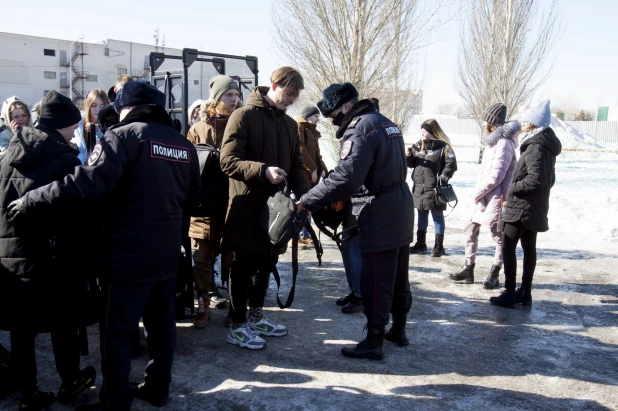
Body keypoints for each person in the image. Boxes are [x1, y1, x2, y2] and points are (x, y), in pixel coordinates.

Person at [7, 80, 202, 410]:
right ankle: (158, 388)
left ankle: (114, 399)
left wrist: (32, 199)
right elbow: (195, 200)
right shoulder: (182, 144)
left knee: (118, 333)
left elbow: (86, 184)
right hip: (167, 256)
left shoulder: (122, 137)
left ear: (127, 107)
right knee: (161, 328)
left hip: (126, 258)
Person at [297, 82, 414, 360]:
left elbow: (347, 178)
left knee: (375, 279)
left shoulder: (359, 128)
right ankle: (398, 329)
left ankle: (374, 341)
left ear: (345, 106)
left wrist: (308, 201)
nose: (332, 120)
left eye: (333, 114)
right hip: (399, 207)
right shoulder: (386, 123)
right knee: (398, 277)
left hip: (379, 211)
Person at [0, 90, 98, 410]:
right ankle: (70, 381)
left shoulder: (7, 156)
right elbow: (74, 216)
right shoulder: (64, 161)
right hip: (53, 260)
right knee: (64, 323)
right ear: (61, 126)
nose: (75, 131)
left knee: (21, 330)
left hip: (11, 258)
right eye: (72, 126)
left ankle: (28, 392)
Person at [220, 67, 309, 350]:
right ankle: (237, 325)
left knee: (266, 263)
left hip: (276, 211)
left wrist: (306, 197)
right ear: (273, 85)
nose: (290, 100)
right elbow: (228, 161)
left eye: (294, 97)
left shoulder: (288, 124)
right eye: (287, 94)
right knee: (244, 266)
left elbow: (296, 165)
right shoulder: (243, 115)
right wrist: (262, 171)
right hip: (246, 207)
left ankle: (257, 318)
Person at [490, 100, 561, 308]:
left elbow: (536, 179)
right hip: (535, 206)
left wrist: (513, 188)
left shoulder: (536, 146)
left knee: (508, 246)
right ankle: (525, 292)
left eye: (526, 119)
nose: (522, 122)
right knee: (529, 248)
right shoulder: (546, 144)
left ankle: (510, 292)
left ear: (533, 123)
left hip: (522, 206)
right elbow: (550, 178)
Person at [186, 76, 241, 328]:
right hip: (203, 206)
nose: (234, 99)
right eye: (229, 94)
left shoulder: (241, 125)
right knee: (201, 261)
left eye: (236, 94)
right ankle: (202, 305)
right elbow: (187, 166)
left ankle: (235, 307)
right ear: (217, 98)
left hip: (233, 204)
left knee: (232, 260)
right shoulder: (197, 129)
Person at [449, 104, 520, 287]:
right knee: (470, 228)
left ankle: (495, 272)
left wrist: (479, 191)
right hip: (485, 196)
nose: (482, 123)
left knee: (498, 236)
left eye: (485, 119)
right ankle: (468, 267)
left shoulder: (504, 142)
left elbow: (497, 175)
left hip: (496, 197)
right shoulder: (493, 141)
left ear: (492, 122)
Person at [406, 119, 458, 257]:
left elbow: (451, 164)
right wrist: (409, 157)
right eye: (422, 131)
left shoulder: (444, 147)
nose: (422, 133)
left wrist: (443, 177)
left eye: (425, 131)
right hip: (419, 187)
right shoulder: (418, 146)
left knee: (437, 216)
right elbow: (411, 165)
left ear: (432, 132)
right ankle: (421, 243)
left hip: (435, 188)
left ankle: (439, 246)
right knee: (422, 213)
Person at [296, 105, 328, 244]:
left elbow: (317, 154)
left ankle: (305, 235)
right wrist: (313, 168)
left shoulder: (312, 131)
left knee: (308, 202)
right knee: (301, 202)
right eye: (316, 116)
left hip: (311, 174)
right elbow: (301, 150)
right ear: (308, 116)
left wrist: (323, 169)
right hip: (302, 174)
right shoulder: (299, 127)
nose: (318, 120)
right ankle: (297, 235)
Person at [72, 89, 110, 163]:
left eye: (102, 106)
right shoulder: (78, 121)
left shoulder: (109, 123)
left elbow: (109, 146)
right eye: (94, 106)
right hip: (79, 167)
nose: (97, 110)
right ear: (88, 106)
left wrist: (97, 132)